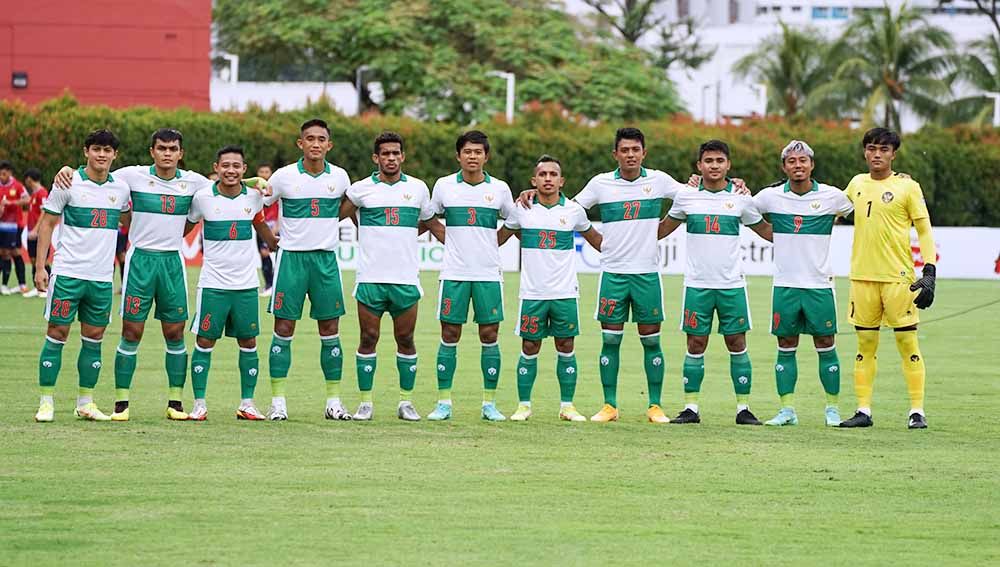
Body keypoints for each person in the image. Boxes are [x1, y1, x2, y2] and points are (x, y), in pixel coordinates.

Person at [53, 128, 215, 420]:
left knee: (175, 332)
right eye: (161, 148)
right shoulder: (131, 176)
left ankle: (175, 403)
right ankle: (121, 404)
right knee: (131, 332)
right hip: (139, 262)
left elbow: (227, 183)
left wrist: (255, 182)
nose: (167, 153)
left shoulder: (195, 183)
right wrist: (65, 169)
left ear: (181, 153)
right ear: (152, 152)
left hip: (172, 263)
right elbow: (96, 172)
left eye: (173, 149)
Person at [657, 140, 773, 425]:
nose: (714, 165)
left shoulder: (742, 199)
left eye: (719, 160)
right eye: (708, 161)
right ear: (699, 165)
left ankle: (743, 409)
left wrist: (809, 223)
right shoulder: (686, 197)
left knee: (737, 342)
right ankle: (691, 408)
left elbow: (767, 232)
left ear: (728, 165)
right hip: (697, 285)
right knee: (696, 344)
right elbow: (660, 230)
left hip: (732, 285)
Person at [839, 128, 937, 430]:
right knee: (865, 344)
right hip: (862, 278)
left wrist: (930, 270)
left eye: (883, 149)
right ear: (865, 152)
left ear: (894, 154)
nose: (877, 154)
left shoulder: (908, 187)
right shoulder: (856, 183)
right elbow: (830, 210)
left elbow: (924, 229)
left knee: (907, 342)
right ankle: (863, 410)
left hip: (898, 279)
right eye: (871, 148)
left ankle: (917, 411)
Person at [32, 129, 132, 422]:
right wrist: (40, 268)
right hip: (68, 274)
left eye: (107, 150)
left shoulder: (122, 189)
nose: (101, 155)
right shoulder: (68, 181)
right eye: (96, 149)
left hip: (101, 279)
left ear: (115, 155)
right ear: (86, 151)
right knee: (57, 334)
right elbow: (47, 224)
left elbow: (130, 218)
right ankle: (46, 401)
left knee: (94, 338)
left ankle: (85, 402)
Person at [752, 141, 854, 427]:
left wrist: (898, 180)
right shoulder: (770, 197)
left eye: (803, 161)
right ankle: (787, 411)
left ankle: (832, 410)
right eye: (792, 161)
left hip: (819, 285)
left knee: (826, 343)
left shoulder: (833, 196)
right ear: (784, 167)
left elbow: (863, 204)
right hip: (784, 285)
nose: (798, 165)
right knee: (786, 344)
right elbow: (744, 210)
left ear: (812, 165)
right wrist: (769, 233)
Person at [340, 131, 436, 421]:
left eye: (396, 153)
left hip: (406, 280)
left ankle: (406, 403)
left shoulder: (418, 188)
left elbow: (430, 222)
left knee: (405, 339)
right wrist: (365, 229)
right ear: (376, 158)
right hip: (370, 279)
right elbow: (339, 214)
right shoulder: (361, 189)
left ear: (403, 156)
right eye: (385, 154)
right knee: (368, 338)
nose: (391, 158)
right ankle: (365, 403)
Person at [498, 155, 603, 422]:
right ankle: (524, 405)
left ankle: (567, 406)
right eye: (542, 175)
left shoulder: (574, 211)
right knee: (529, 346)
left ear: (561, 180)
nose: (547, 179)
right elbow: (498, 239)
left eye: (553, 174)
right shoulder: (521, 209)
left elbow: (599, 243)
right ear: (534, 181)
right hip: (532, 293)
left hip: (565, 292)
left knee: (566, 346)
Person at [263, 119, 353, 421]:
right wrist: (269, 239)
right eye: (310, 138)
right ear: (300, 143)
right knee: (283, 329)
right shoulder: (284, 176)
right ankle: (278, 402)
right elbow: (253, 205)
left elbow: (351, 204)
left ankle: (333, 401)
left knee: (330, 330)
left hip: (325, 262)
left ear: (329, 145)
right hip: (291, 260)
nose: (316, 144)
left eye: (321, 139)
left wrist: (332, 222)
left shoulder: (340, 177)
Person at [426, 130, 516, 422]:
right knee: (449, 334)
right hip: (454, 273)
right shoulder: (444, 186)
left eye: (478, 152)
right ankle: (443, 403)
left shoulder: (500, 189)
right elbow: (429, 217)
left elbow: (514, 221)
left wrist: (493, 243)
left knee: (489, 335)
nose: (472, 156)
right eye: (467, 152)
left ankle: (489, 404)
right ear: (458, 155)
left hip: (488, 275)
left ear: (486, 156)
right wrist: (447, 239)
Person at [184, 145, 277, 421]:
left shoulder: (254, 196)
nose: (231, 170)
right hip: (213, 284)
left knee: (248, 342)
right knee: (204, 341)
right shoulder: (202, 197)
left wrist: (273, 242)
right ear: (216, 167)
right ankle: (199, 404)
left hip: (246, 285)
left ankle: (247, 403)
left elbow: (260, 223)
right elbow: (185, 227)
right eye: (225, 165)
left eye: (236, 166)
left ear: (244, 169)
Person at [0, 160, 30, 296]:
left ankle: (21, 284)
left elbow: (27, 199)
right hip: (1, 225)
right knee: (3, 252)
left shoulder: (17, 186)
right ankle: (5, 285)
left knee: (15, 252)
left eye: (4, 174)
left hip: (15, 225)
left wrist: (11, 203)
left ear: (10, 173)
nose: (2, 177)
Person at [23, 168, 49, 298]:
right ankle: (38, 287)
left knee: (41, 260)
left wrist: (36, 229)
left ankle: (47, 287)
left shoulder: (42, 193)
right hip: (31, 232)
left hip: (39, 233)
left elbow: (44, 212)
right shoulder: (34, 194)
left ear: (29, 179)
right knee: (34, 260)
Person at [255, 163, 277, 297]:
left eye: (266, 171)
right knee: (263, 255)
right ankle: (269, 285)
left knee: (278, 256)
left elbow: (280, 209)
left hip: (274, 226)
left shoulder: (275, 189)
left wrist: (277, 227)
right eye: (261, 171)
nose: (264, 174)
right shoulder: (254, 190)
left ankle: (275, 285)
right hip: (260, 226)